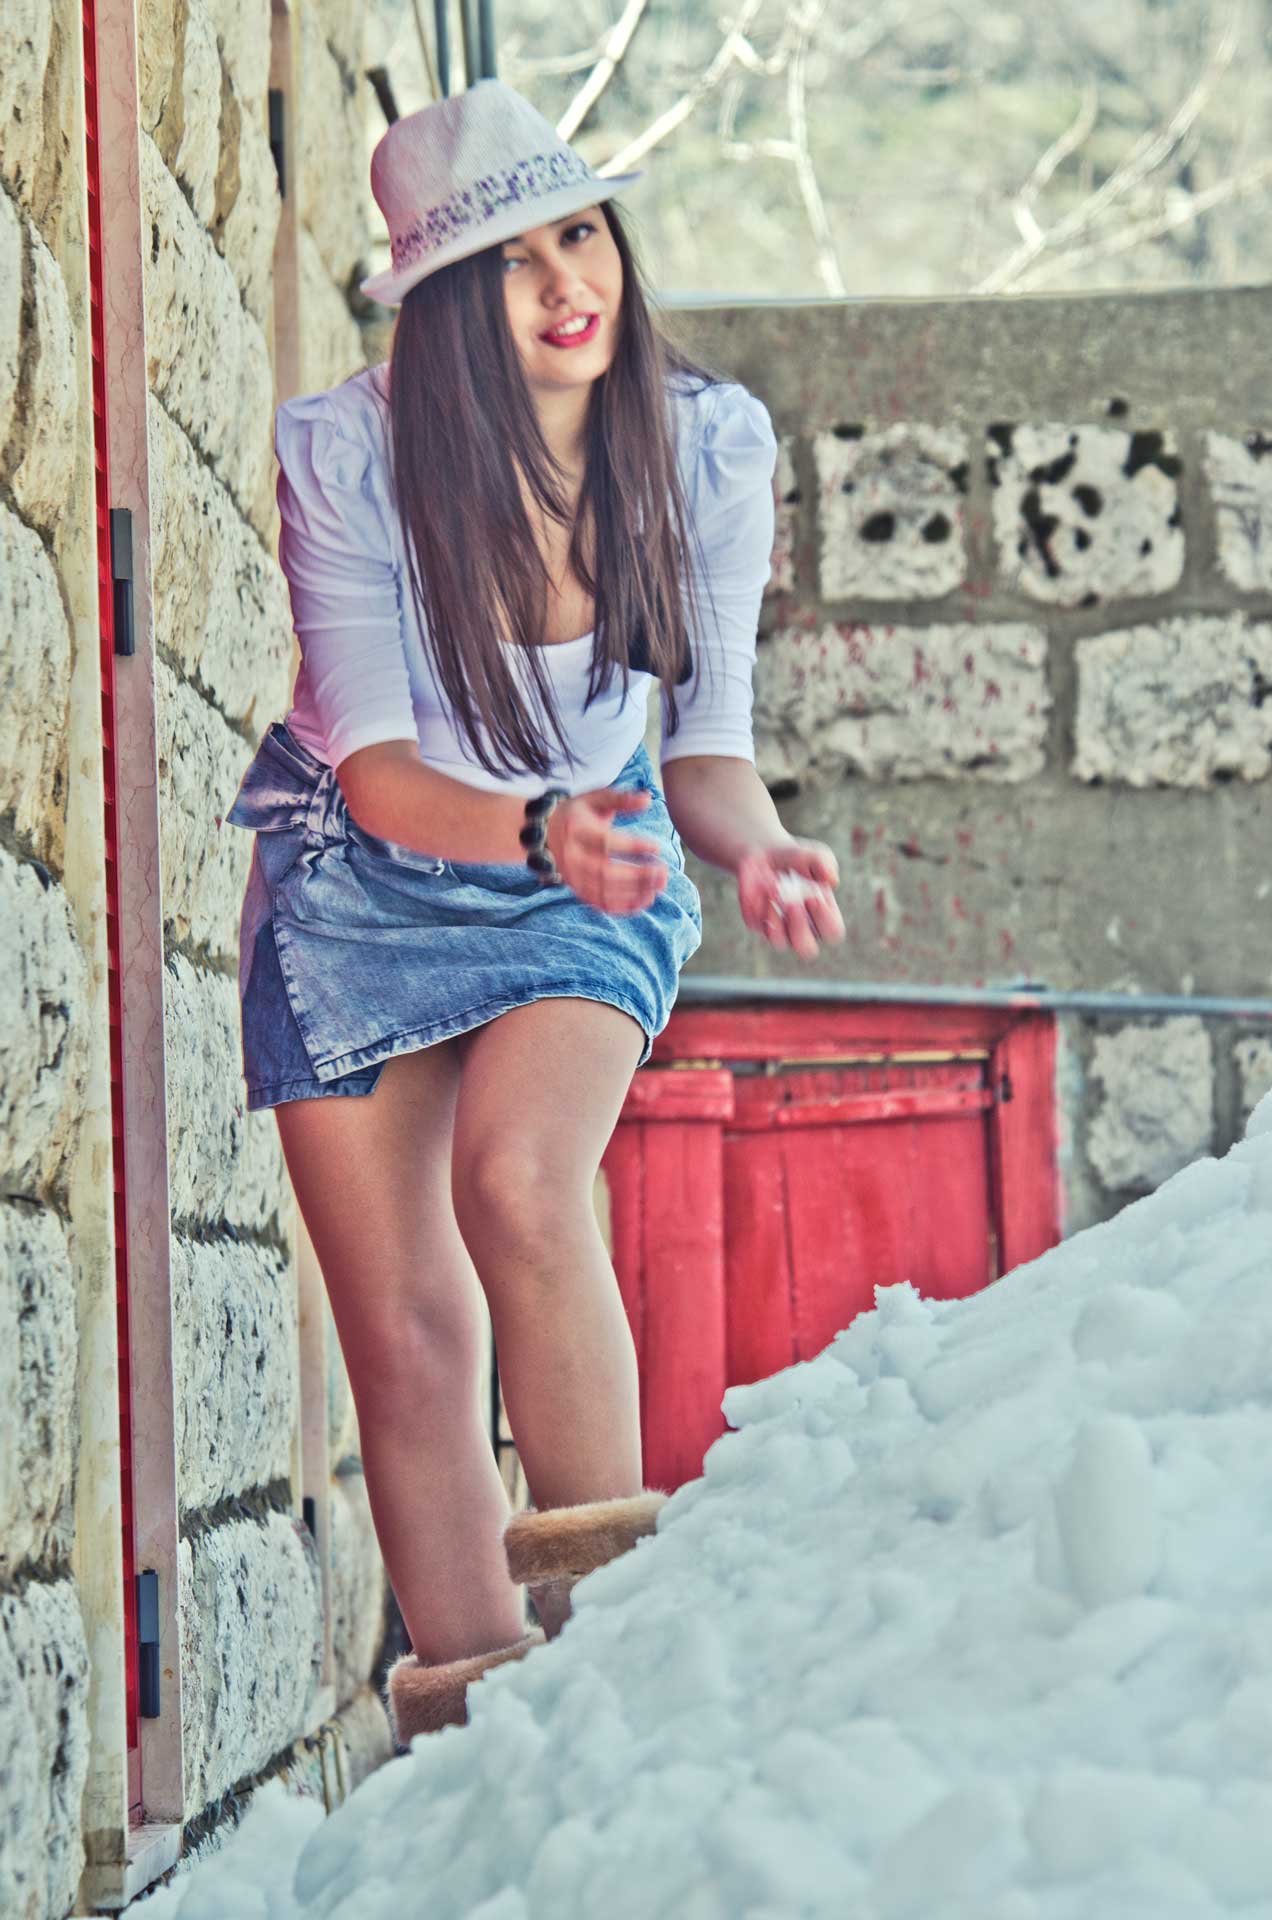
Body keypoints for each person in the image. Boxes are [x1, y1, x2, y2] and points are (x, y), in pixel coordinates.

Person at [224, 79, 845, 1743]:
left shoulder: (703, 445)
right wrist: (533, 827)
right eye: (512, 260)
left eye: (581, 234)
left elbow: (707, 751)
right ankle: (474, 1749)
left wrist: (756, 849)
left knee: (517, 1175)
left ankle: (612, 1664)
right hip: (359, 881)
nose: (569, 282)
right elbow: (374, 769)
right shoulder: (351, 455)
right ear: (440, 307)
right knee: (408, 1334)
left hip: (591, 865)